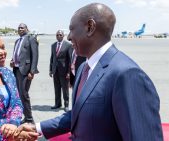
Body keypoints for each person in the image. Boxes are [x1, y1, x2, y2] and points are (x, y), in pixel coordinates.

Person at [10, 2, 163, 141]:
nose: (69, 37)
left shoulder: (126, 74)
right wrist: (37, 127)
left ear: (90, 27)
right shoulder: (84, 68)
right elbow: (77, 115)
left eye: (71, 29)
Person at [10, 23, 39, 124]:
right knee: (19, 94)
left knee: (24, 94)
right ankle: (26, 117)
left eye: (22, 28)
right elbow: (16, 54)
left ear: (27, 29)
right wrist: (12, 61)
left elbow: (35, 55)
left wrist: (32, 71)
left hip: (26, 71)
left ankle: (30, 119)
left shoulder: (31, 38)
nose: (20, 29)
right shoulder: (17, 41)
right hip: (17, 69)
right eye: (19, 28)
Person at [49, 30, 71, 112]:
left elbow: (70, 60)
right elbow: (52, 58)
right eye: (57, 35)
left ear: (63, 36)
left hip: (64, 71)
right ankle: (57, 104)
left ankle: (66, 105)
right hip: (55, 71)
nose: (59, 36)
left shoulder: (68, 45)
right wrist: (51, 70)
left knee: (65, 89)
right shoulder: (53, 45)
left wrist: (69, 72)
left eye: (60, 35)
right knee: (57, 88)